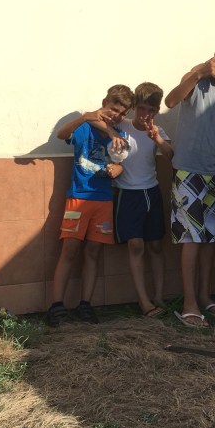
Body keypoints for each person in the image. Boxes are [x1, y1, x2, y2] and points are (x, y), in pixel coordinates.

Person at [164, 33, 215, 328]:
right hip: (188, 171)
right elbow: (171, 99)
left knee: (209, 239)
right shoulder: (196, 78)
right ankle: (188, 304)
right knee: (191, 239)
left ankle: (204, 296)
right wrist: (201, 70)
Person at [47, 84, 135, 327]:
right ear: (105, 101)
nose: (116, 115)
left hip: (103, 199)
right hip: (79, 196)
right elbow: (62, 135)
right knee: (70, 250)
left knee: (94, 253)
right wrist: (83, 117)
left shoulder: (117, 135)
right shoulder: (85, 127)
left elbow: (121, 161)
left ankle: (85, 304)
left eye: (122, 113)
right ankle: (56, 306)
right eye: (114, 109)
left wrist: (119, 168)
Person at [113, 82, 173, 318]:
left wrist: (157, 138)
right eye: (141, 108)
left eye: (151, 110)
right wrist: (110, 131)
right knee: (135, 245)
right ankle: (144, 301)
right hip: (128, 193)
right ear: (134, 107)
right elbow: (96, 119)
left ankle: (158, 295)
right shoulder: (122, 126)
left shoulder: (157, 132)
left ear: (156, 111)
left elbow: (171, 156)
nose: (145, 115)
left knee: (156, 244)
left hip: (152, 192)